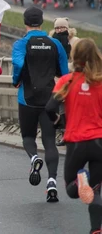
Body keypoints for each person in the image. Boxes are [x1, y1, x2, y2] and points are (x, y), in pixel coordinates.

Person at [45, 38, 102, 234]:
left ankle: (80, 181)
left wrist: (57, 119)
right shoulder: (100, 82)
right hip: (98, 142)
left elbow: (50, 107)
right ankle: (96, 230)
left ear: (74, 56)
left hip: (76, 141)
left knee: (71, 187)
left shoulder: (67, 81)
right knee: (95, 192)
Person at [12, 6, 69, 202]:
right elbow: (64, 72)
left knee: (28, 136)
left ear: (25, 22)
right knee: (49, 141)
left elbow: (18, 64)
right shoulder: (54, 43)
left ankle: (34, 158)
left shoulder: (21, 44)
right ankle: (51, 181)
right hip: (49, 98)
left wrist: (16, 79)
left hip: (26, 98)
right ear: (42, 22)